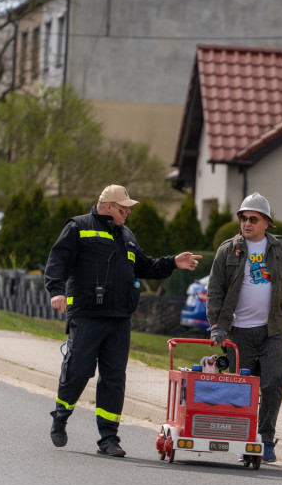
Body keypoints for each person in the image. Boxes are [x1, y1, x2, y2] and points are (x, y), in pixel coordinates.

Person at [44, 184, 202, 456]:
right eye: (122, 207)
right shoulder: (78, 227)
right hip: (86, 315)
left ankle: (109, 439)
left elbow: (146, 266)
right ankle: (60, 416)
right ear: (108, 207)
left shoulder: (126, 236)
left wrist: (173, 262)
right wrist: (56, 292)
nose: (127, 212)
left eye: (128, 208)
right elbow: (57, 262)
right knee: (78, 370)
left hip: (118, 320)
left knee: (114, 379)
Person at [206, 192, 282, 464]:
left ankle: (265, 439)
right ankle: (242, 438)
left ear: (266, 223)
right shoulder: (228, 250)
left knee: (273, 383)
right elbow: (215, 290)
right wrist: (217, 326)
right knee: (241, 389)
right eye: (243, 218)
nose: (246, 223)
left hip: (272, 332)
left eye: (253, 219)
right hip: (238, 333)